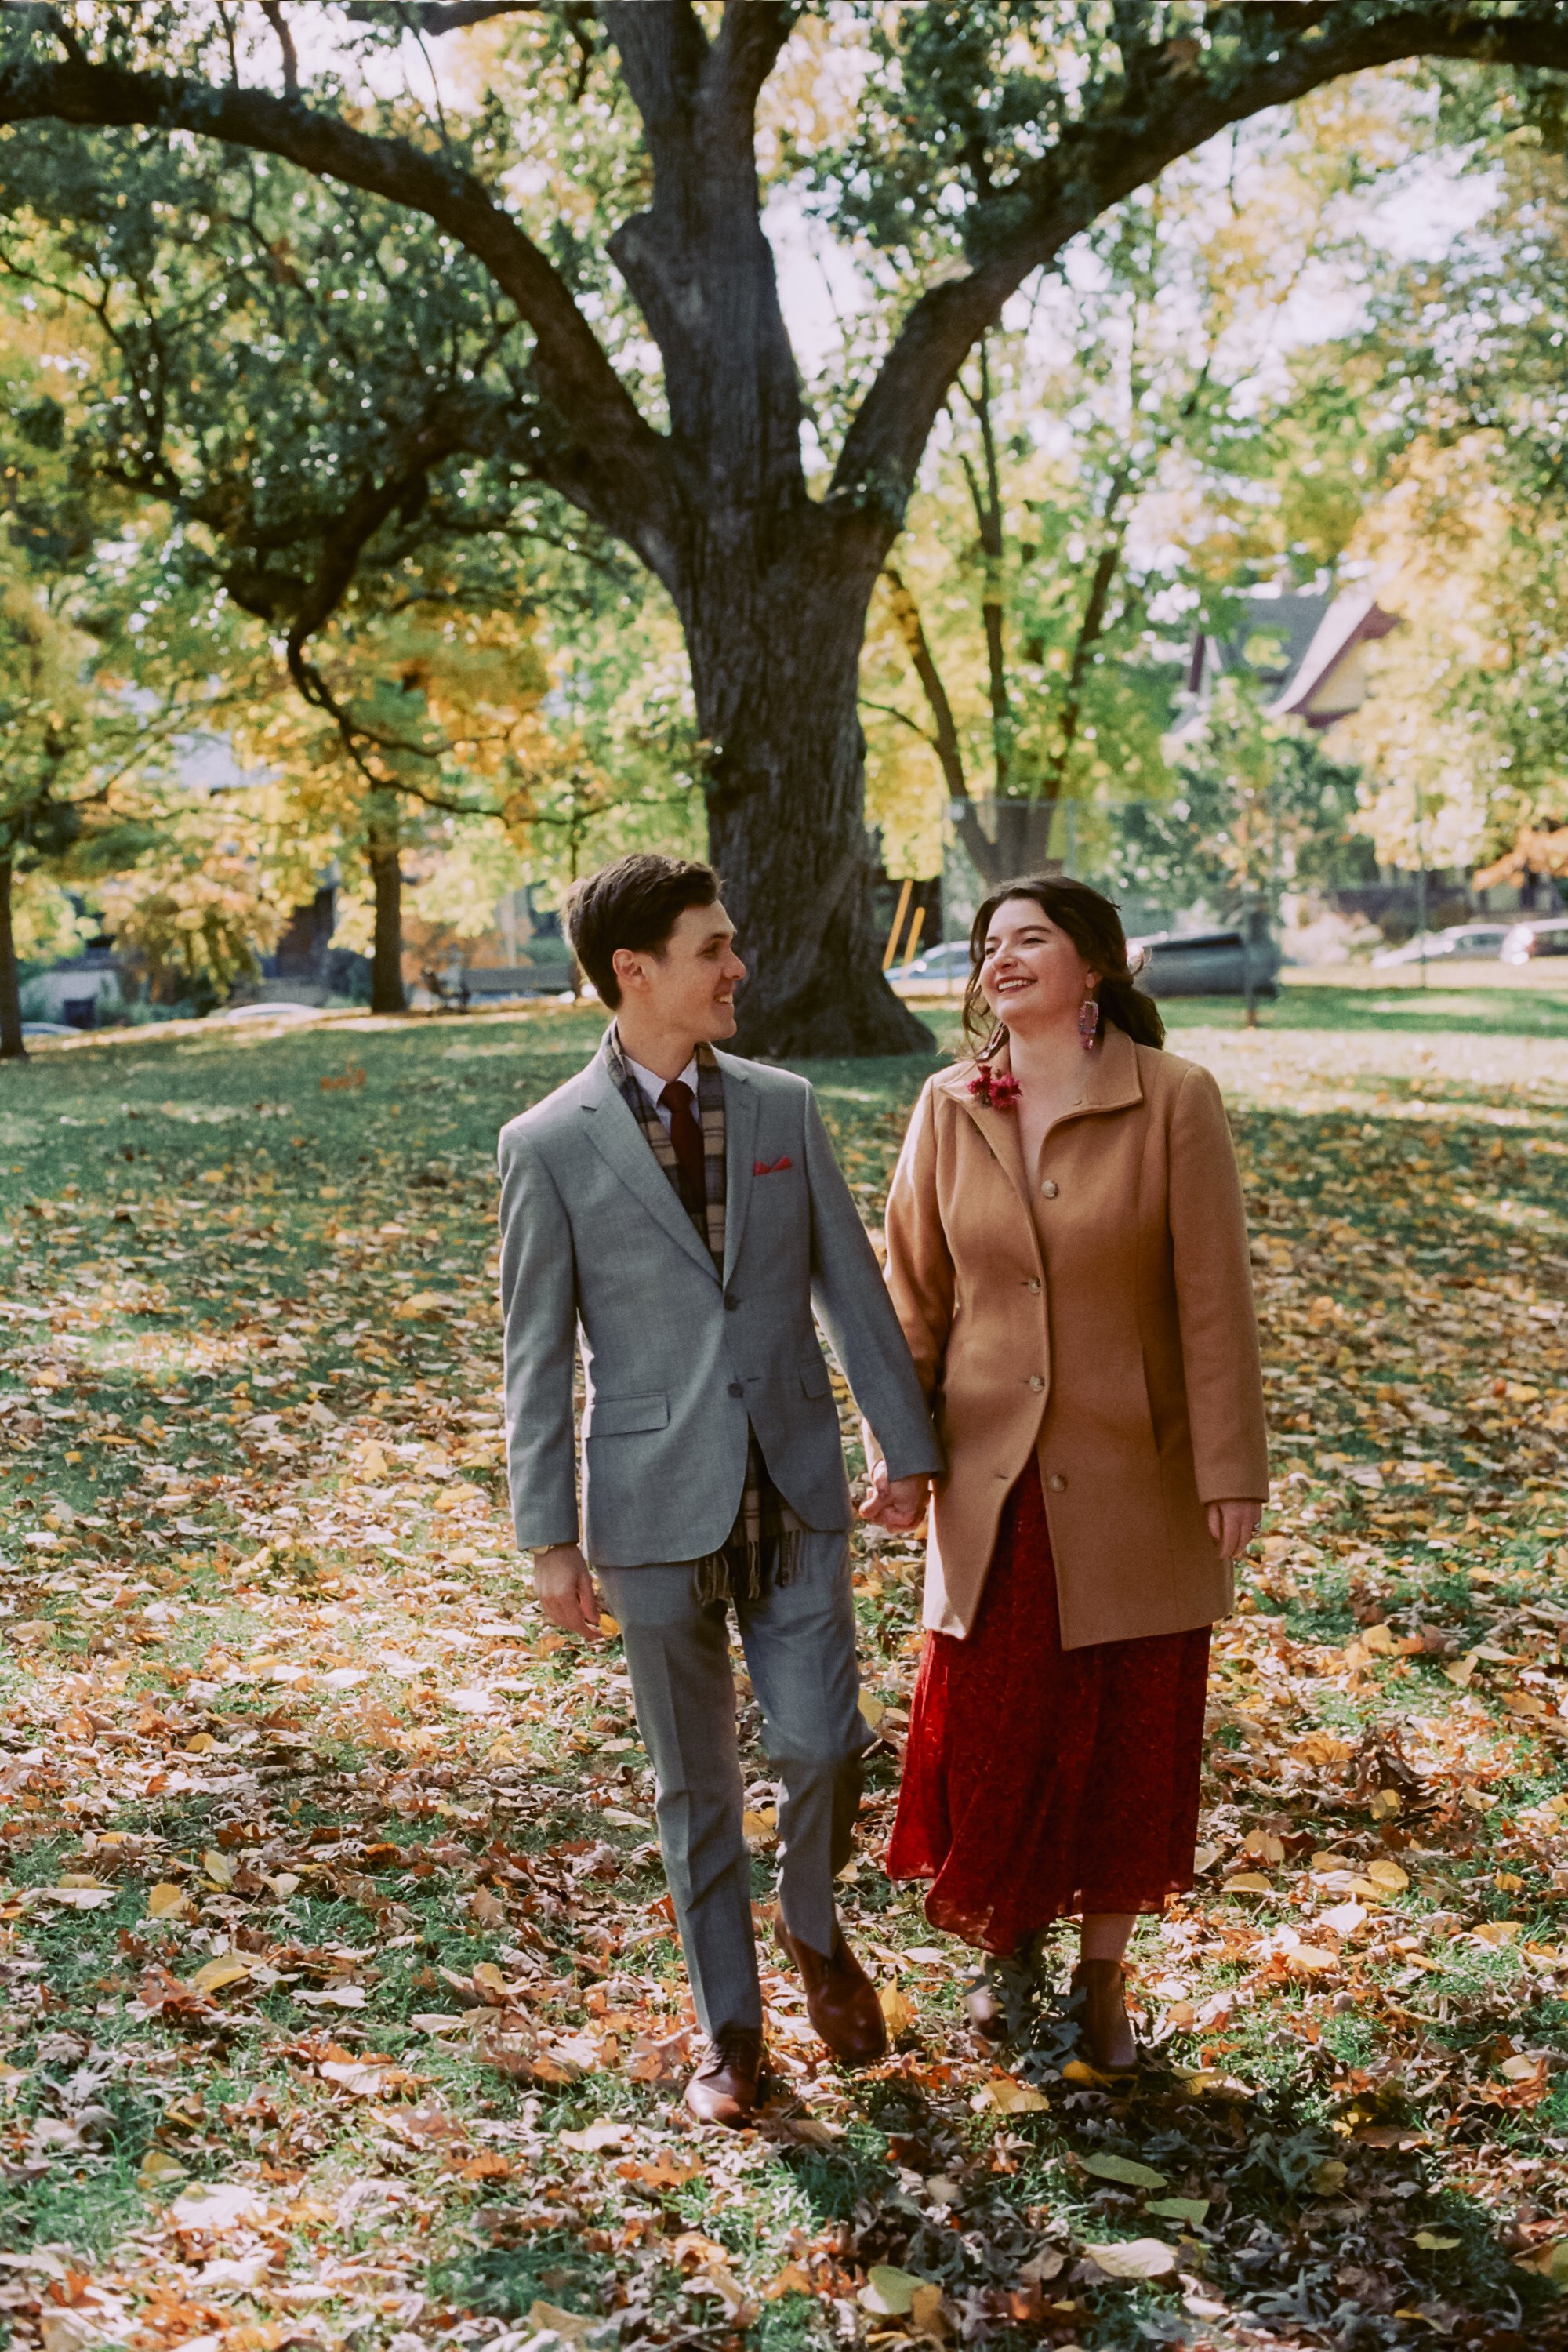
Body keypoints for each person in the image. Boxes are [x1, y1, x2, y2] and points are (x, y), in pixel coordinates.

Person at [496, 853, 941, 2125]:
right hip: (648, 1506)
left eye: (732, 944)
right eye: (713, 948)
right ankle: (730, 2036)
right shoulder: (547, 1146)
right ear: (635, 972)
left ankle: (813, 1928)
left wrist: (900, 1446)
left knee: (820, 1745)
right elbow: (533, 1356)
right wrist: (549, 1539)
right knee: (692, 1789)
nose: (738, 966)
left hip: (795, 1487)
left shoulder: (784, 1108)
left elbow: (851, 1290)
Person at [866, 876, 1269, 2070]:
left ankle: (1102, 1988)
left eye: (1030, 939)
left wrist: (1229, 1464)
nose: (1003, 958)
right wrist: (900, 1455)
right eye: (990, 944)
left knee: (1124, 1735)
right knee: (999, 1734)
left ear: (1093, 964)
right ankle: (1007, 1960)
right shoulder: (948, 1106)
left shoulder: (1174, 1099)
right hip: (990, 1486)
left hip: (1135, 1474)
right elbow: (912, 1301)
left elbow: (1214, 1299)